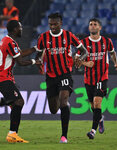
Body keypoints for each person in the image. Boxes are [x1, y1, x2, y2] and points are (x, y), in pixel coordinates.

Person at [35, 13, 88, 143]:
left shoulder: (68, 36)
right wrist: (38, 62)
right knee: (53, 109)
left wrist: (80, 59)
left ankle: (64, 136)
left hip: (65, 74)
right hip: (50, 76)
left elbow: (85, 51)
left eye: (55, 24)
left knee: (63, 102)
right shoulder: (43, 37)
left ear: (61, 23)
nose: (52, 27)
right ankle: (64, 105)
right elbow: (38, 54)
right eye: (50, 24)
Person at [0, 20, 41, 143]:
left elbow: (19, 54)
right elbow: (20, 61)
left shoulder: (7, 40)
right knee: (19, 102)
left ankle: (13, 134)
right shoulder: (10, 42)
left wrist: (35, 48)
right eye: (20, 27)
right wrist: (35, 62)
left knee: (16, 104)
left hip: (1, 78)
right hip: (3, 78)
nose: (21, 29)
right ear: (15, 29)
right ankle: (12, 134)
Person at [76, 18, 117, 139]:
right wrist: (86, 63)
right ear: (89, 27)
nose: (92, 26)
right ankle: (100, 119)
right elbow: (76, 59)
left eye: (95, 24)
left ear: (100, 27)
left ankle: (92, 131)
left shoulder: (106, 41)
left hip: (102, 76)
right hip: (89, 79)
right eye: (91, 24)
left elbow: (112, 52)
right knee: (93, 106)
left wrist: (116, 63)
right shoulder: (83, 43)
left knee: (97, 102)